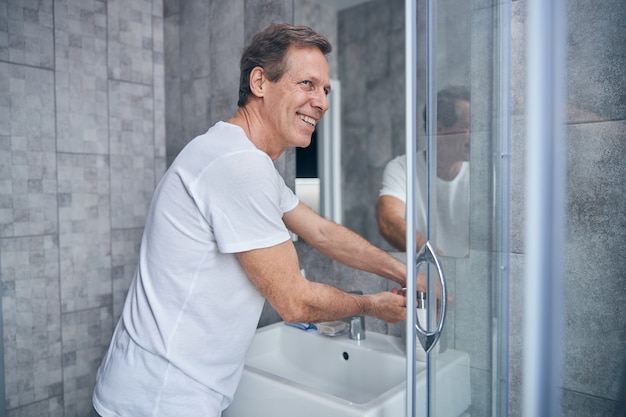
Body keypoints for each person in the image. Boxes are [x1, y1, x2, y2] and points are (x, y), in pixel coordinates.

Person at [92, 23, 414, 417]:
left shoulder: (238, 156)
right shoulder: (238, 166)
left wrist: (403, 271)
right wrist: (371, 305)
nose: (322, 102)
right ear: (260, 82)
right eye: (308, 84)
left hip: (146, 389)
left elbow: (322, 233)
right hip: (158, 400)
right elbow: (294, 303)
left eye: (325, 90)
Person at [377, 86, 471, 257]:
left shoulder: (485, 174)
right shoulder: (402, 168)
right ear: (440, 130)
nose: (475, 135)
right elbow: (388, 221)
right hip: (422, 277)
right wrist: (436, 258)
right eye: (467, 127)